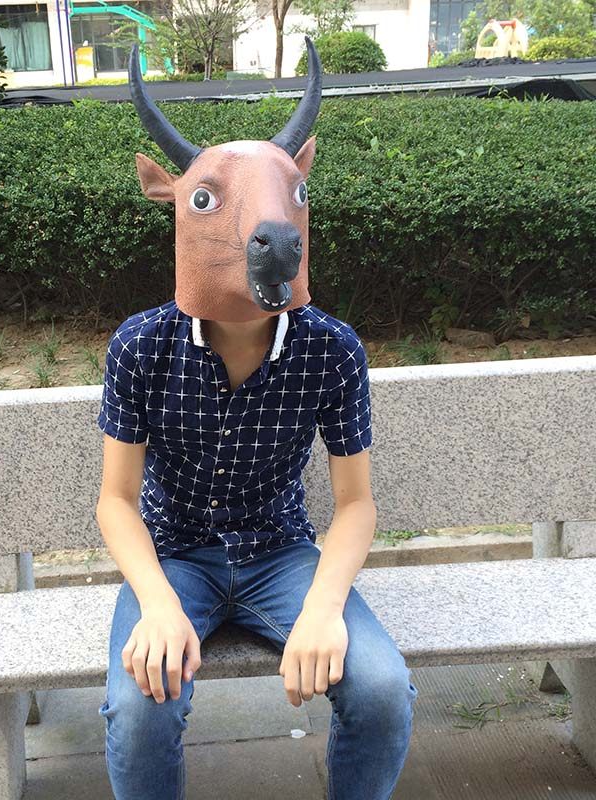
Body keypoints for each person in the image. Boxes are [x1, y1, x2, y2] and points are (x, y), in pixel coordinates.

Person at [95, 37, 418, 800]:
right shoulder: (141, 346)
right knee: (138, 710)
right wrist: (158, 604)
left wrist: (325, 608)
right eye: (210, 201)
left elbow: (356, 504)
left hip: (281, 554)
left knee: (380, 689)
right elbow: (116, 500)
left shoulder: (330, 349)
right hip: (175, 556)